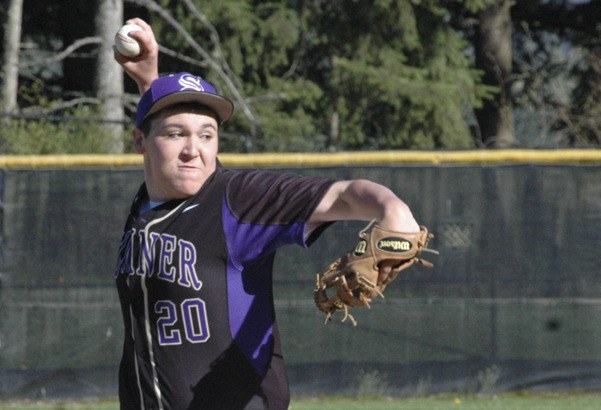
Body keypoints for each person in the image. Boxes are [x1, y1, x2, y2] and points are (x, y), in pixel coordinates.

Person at [113, 18, 423, 410]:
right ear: (140, 140)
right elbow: (159, 132)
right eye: (177, 135)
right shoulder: (147, 201)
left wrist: (392, 209)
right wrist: (150, 82)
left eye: (207, 135)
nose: (194, 150)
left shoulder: (237, 200)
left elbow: (343, 195)